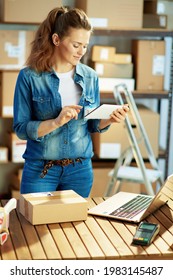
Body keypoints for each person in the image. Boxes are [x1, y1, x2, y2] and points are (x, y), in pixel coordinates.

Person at [13, 6, 129, 197]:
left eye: (85, 45)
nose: (81, 51)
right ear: (56, 39)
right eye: (76, 45)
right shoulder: (29, 77)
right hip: (41, 172)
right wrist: (56, 122)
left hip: (79, 171)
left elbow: (92, 125)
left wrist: (110, 119)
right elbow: (20, 128)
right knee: (35, 226)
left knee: (73, 226)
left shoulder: (90, 77)